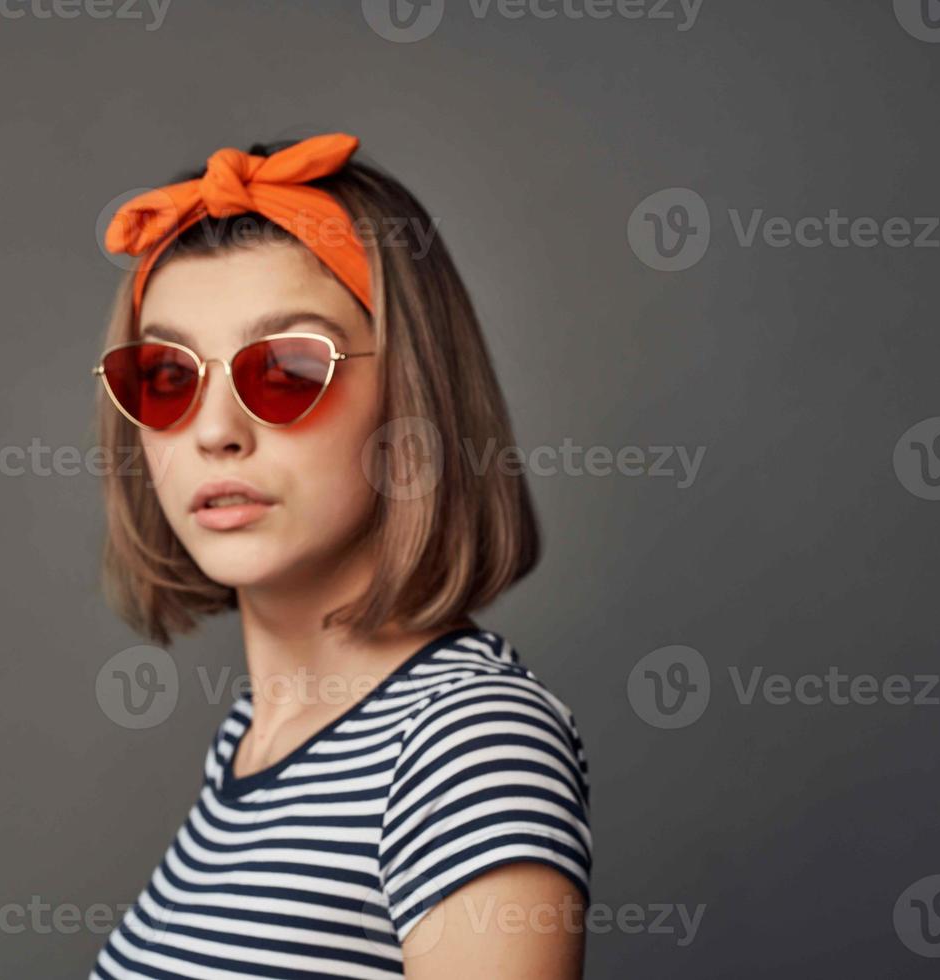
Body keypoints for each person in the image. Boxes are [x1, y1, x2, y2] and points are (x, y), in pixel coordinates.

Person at [88, 133, 592, 978]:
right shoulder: (258, 735)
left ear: (410, 395)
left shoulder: (463, 744)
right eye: (168, 377)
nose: (215, 431)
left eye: (285, 368)